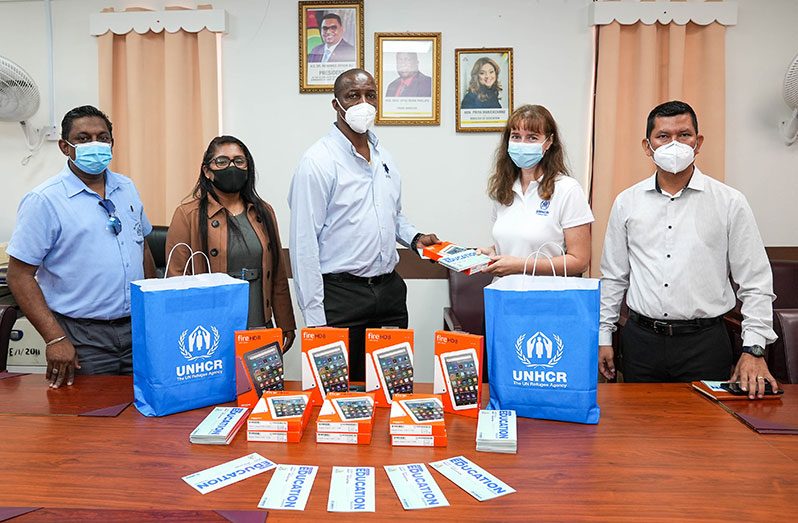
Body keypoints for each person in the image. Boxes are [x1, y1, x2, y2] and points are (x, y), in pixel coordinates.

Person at [598, 100, 779, 398]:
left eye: (684, 135)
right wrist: (604, 336)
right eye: (663, 136)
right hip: (641, 343)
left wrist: (754, 349)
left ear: (698, 143)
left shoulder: (730, 202)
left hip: (705, 344)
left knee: (706, 438)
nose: (674, 144)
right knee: (639, 438)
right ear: (648, 146)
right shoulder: (626, 203)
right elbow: (614, 277)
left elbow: (756, 282)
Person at [289, 68, 439, 381]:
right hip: (340, 299)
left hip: (389, 295)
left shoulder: (384, 156)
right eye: (353, 95)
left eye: (370, 95)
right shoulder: (317, 161)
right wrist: (315, 318)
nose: (363, 103)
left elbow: (393, 214)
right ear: (336, 104)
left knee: (390, 389)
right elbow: (304, 243)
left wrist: (414, 238)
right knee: (338, 397)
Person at [6, 105, 155, 388]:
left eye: (102, 137)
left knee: (142, 416)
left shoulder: (127, 188)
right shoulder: (45, 200)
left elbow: (143, 247)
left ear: (112, 143)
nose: (95, 145)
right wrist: (55, 338)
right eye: (84, 138)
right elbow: (19, 275)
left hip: (136, 329)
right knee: (90, 421)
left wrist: (151, 311)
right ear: (65, 147)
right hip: (81, 336)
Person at [165, 136, 296, 351]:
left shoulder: (263, 211)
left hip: (259, 322)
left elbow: (279, 275)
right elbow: (176, 280)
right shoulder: (188, 214)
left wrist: (286, 322)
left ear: (248, 168)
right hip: (211, 327)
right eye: (222, 161)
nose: (231, 167)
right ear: (207, 171)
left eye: (239, 161)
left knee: (261, 384)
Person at [480, 104, 593, 277]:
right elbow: (521, 243)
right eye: (516, 137)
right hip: (504, 294)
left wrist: (521, 266)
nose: (522, 144)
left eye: (532, 138)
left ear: (549, 142)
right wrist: (492, 253)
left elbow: (579, 261)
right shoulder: (504, 189)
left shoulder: (567, 189)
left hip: (547, 298)